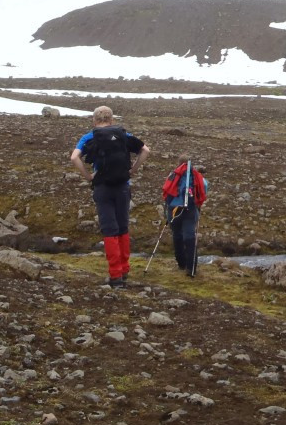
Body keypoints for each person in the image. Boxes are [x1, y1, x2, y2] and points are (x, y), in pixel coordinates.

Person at [70, 106, 149, 289]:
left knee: (109, 230)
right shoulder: (122, 134)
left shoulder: (89, 137)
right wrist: (132, 170)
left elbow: (74, 157)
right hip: (123, 186)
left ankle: (115, 277)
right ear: (111, 120)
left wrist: (88, 176)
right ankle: (124, 270)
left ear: (94, 120)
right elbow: (145, 150)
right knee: (122, 227)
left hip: (103, 187)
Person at [161, 155, 208, 277]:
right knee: (190, 236)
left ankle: (181, 263)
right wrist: (198, 204)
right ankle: (191, 268)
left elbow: (166, 190)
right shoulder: (196, 176)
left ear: (179, 163)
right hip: (190, 209)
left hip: (174, 209)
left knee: (177, 234)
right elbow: (204, 187)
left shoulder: (173, 174)